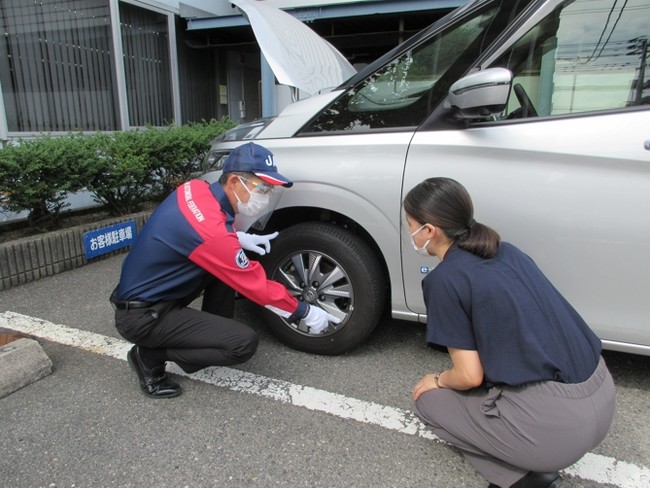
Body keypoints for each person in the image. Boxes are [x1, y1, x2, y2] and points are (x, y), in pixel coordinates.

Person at [403, 177, 616, 488]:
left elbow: (469, 376)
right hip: (602, 394)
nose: (409, 232)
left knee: (429, 403)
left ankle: (523, 479)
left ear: (429, 230)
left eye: (409, 224)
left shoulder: (444, 280)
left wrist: (435, 379)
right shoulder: (506, 251)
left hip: (560, 429)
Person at [110, 142, 340, 399]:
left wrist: (236, 237)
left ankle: (207, 331)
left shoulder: (196, 188)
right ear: (233, 181)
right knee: (242, 344)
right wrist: (303, 311)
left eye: (269, 189)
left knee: (227, 269)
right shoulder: (212, 235)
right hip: (141, 318)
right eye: (262, 187)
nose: (266, 195)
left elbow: (194, 227)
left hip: (152, 291)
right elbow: (255, 286)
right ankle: (149, 356)